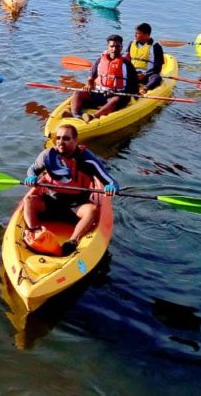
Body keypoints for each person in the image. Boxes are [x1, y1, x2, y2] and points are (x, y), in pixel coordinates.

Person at [22, 124, 119, 256]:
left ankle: (72, 242)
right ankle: (34, 233)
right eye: (58, 138)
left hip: (76, 207)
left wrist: (111, 187)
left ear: (75, 140)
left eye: (66, 139)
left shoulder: (87, 159)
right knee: (29, 200)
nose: (61, 142)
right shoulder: (47, 155)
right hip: (51, 201)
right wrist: (31, 177)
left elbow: (111, 181)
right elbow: (32, 169)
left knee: (92, 210)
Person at [69, 34, 139, 121]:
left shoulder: (127, 65)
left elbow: (134, 86)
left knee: (116, 100)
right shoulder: (99, 61)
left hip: (114, 96)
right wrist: (88, 85)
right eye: (112, 46)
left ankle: (93, 116)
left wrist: (116, 92)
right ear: (108, 47)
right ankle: (75, 114)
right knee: (78, 93)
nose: (114, 49)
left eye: (117, 46)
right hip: (98, 93)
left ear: (121, 47)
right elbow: (91, 78)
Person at [128, 23, 165, 92]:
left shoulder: (156, 47)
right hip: (133, 74)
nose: (135, 35)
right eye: (135, 33)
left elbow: (158, 68)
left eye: (138, 33)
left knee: (157, 78)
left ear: (146, 35)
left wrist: (144, 74)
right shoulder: (131, 44)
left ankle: (145, 89)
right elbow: (126, 61)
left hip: (147, 75)